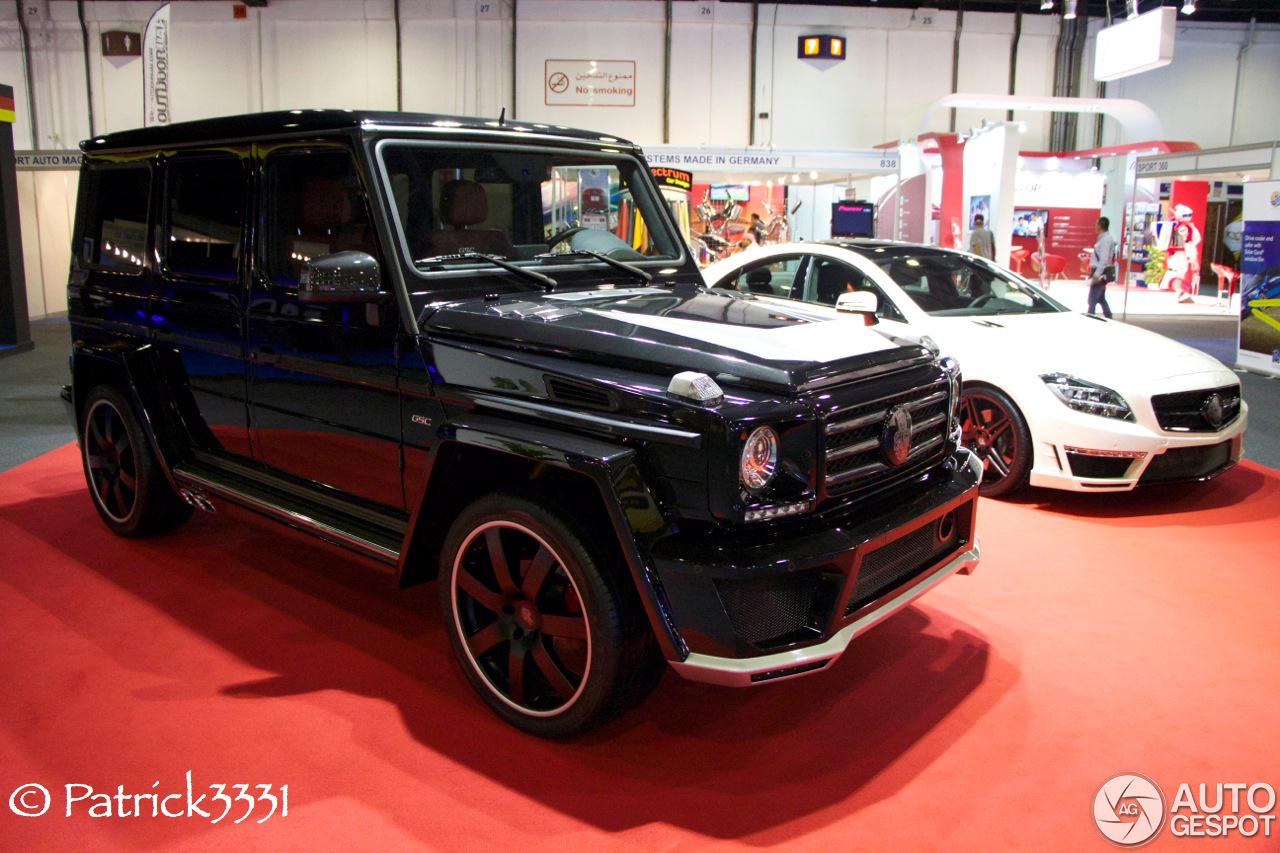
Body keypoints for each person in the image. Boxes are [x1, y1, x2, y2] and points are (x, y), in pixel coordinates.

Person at [1087, 216, 1116, 319]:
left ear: (1100, 226)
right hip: (1100, 272)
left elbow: (1103, 259)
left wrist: (1096, 274)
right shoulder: (1104, 238)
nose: (1095, 226)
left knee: (1092, 300)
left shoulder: (1106, 240)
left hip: (1100, 273)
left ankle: (1090, 318)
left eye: (1096, 224)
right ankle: (1109, 318)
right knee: (1101, 299)